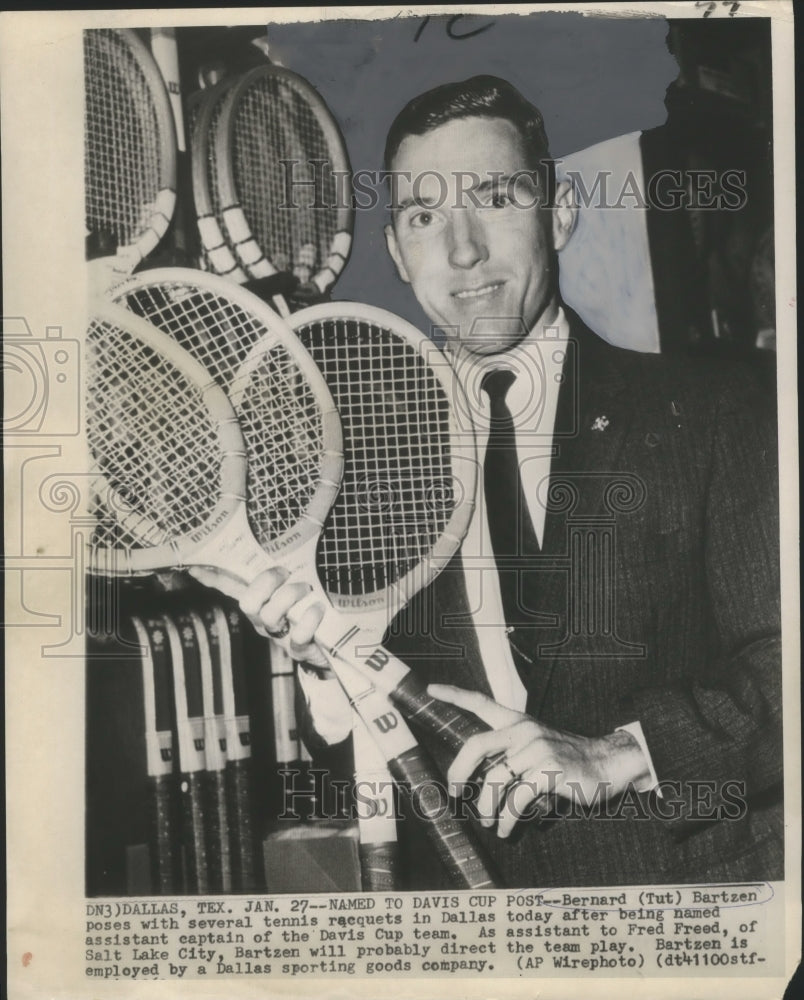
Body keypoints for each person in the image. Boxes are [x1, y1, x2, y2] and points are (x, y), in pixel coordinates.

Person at [196, 76, 782, 889]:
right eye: (424, 217)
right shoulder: (365, 466)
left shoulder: (716, 412)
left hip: (687, 908)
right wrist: (318, 655)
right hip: (478, 920)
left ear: (559, 212)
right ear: (398, 253)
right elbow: (357, 722)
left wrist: (617, 753)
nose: (462, 250)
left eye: (497, 197)